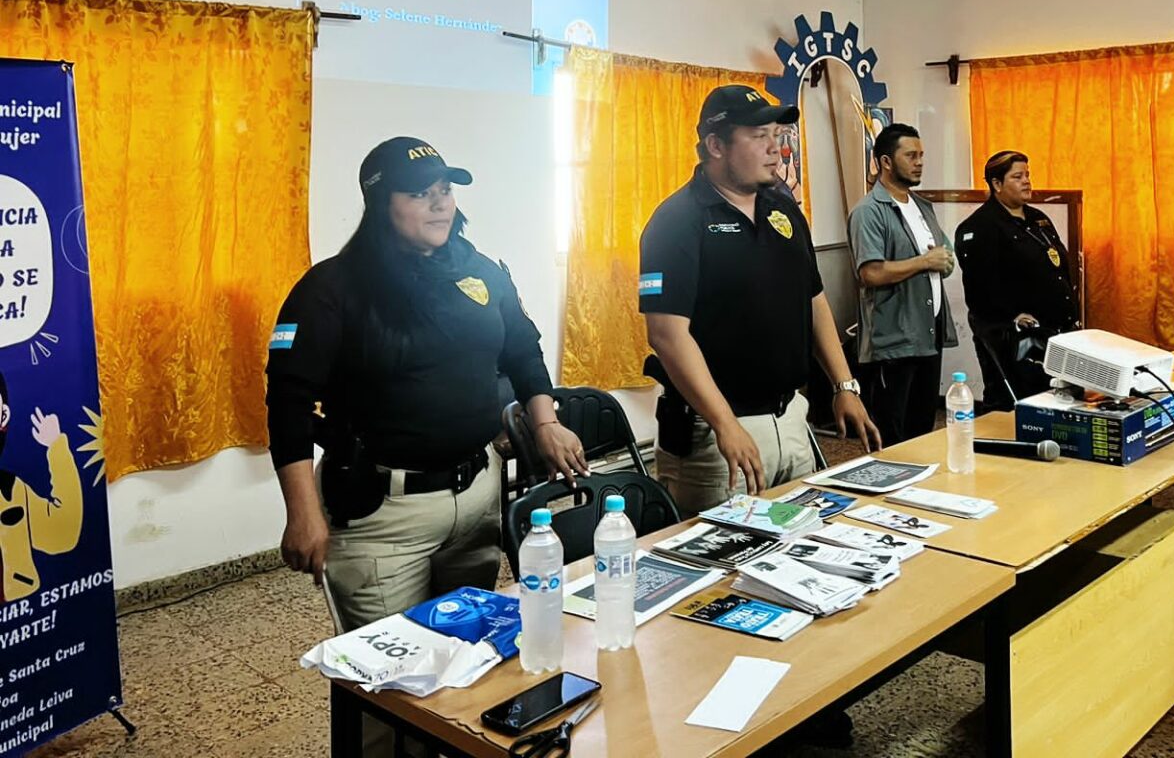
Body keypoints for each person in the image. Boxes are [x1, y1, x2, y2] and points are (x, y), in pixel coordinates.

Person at [266, 137, 587, 633]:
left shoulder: (478, 270)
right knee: (393, 667)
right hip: (383, 518)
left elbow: (523, 350)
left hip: (477, 498)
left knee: (470, 649)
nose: (440, 204)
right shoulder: (331, 289)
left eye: (445, 190)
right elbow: (288, 402)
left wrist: (545, 422)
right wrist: (302, 511)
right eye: (419, 194)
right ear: (380, 204)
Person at [640, 85, 881, 518]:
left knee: (802, 533)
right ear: (716, 145)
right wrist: (724, 423)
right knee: (725, 550)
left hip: (791, 417)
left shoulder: (783, 210)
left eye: (777, 135)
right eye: (758, 136)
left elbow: (813, 299)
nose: (776, 149)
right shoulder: (677, 220)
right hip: (715, 434)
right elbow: (667, 335)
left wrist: (844, 385)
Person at [847, 123, 958, 444]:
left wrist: (944, 260)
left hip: (928, 332)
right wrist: (925, 261)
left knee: (921, 428)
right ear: (885, 161)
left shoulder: (922, 206)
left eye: (921, 155)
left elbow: (944, 254)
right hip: (894, 339)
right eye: (911, 156)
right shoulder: (869, 212)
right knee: (891, 434)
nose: (919, 162)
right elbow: (870, 273)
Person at [955, 151, 1080, 409]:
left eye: (1027, 175)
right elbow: (980, 289)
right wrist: (1012, 316)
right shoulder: (980, 227)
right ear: (997, 184)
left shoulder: (1038, 219)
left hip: (1057, 332)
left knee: (1059, 403)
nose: (1026, 181)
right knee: (1018, 409)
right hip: (1015, 341)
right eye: (1017, 177)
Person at [0, 371, 83, 602]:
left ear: (4, 416)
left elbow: (61, 534)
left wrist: (56, 447)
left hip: (21, 603)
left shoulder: (11, 489)